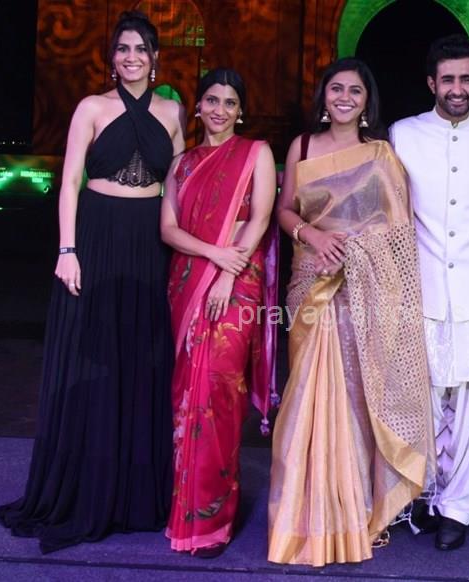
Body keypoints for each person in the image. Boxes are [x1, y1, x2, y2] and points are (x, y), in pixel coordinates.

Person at [0, 11, 185, 553]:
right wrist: (67, 249)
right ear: (112, 57)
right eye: (123, 48)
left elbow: (175, 187)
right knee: (92, 359)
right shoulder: (91, 107)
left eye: (141, 49)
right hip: (97, 236)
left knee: (141, 360)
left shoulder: (173, 112)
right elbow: (70, 182)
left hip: (148, 241)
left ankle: (134, 495)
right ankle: (86, 488)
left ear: (155, 57)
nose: (131, 57)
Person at [267, 58, 434, 567]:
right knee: (305, 399)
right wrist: (313, 235)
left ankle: (351, 513)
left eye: (354, 91)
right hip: (311, 286)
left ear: (367, 101)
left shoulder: (381, 155)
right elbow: (284, 209)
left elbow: (398, 231)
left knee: (356, 402)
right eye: (336, 88)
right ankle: (301, 517)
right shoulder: (302, 146)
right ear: (324, 95)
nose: (344, 97)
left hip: (365, 292)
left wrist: (357, 253)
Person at [389, 34, 469, 551]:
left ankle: (459, 508)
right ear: (432, 83)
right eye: (448, 80)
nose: (458, 89)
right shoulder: (403, 134)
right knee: (426, 398)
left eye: (466, 79)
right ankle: (426, 492)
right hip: (422, 289)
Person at [160, 68, 278, 558]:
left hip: (236, 284)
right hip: (189, 281)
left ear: (241, 110)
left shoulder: (256, 153)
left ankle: (213, 520)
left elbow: (261, 217)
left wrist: (229, 272)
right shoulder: (182, 164)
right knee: (187, 395)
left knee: (218, 393)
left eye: (230, 102)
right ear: (198, 106)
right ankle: (184, 510)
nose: (220, 110)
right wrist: (214, 256)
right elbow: (168, 229)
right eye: (212, 100)